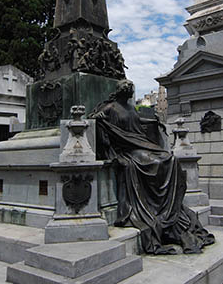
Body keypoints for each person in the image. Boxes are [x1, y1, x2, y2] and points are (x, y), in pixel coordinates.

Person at [90, 80, 215, 254]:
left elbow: (138, 121)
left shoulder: (131, 107)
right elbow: (94, 119)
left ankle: (168, 207)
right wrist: (97, 119)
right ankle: (160, 206)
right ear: (120, 92)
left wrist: (154, 121)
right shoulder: (110, 108)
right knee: (158, 162)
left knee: (170, 159)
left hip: (139, 144)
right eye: (126, 90)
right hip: (128, 149)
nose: (128, 92)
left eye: (130, 90)